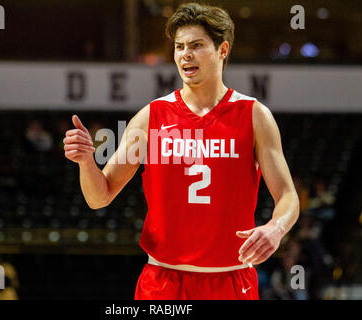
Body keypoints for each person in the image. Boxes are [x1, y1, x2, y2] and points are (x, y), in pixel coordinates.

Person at [63, 3, 299, 300]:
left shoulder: (254, 115)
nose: (185, 54)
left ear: (222, 50)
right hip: (163, 281)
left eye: (197, 45)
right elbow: (100, 196)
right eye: (179, 47)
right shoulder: (151, 117)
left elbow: (288, 196)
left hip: (230, 279)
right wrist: (86, 162)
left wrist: (276, 228)